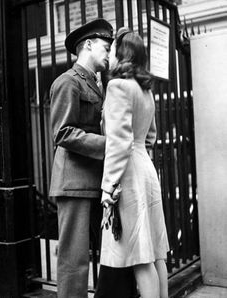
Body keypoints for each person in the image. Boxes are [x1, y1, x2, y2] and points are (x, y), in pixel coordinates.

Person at [49, 19, 137, 298]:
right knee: (73, 261)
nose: (109, 53)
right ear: (87, 45)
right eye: (105, 46)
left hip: (96, 181)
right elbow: (62, 133)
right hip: (73, 182)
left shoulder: (99, 85)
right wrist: (110, 145)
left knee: (110, 255)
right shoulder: (67, 81)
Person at [96, 28, 170, 298]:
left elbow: (118, 143)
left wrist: (108, 187)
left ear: (121, 53)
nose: (111, 55)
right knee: (156, 252)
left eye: (114, 49)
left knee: (140, 256)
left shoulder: (117, 86)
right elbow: (150, 137)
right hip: (146, 168)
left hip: (128, 172)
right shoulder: (145, 90)